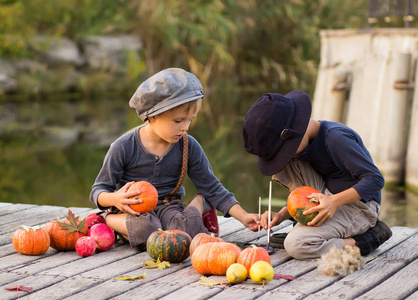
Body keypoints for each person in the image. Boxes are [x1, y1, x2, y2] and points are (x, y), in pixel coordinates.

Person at [90, 68, 259, 249]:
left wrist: (243, 216)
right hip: (135, 211)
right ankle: (107, 220)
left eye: (190, 120)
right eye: (178, 121)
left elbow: (213, 188)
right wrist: (115, 199)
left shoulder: (188, 145)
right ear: (152, 115)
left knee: (187, 235)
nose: (185, 127)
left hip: (168, 206)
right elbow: (98, 191)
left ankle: (201, 202)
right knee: (146, 230)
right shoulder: (123, 146)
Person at [242, 90, 392, 259]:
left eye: (287, 150)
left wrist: (334, 202)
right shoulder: (302, 149)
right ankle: (313, 231)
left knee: (295, 244)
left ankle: (366, 240)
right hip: (326, 197)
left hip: (359, 207)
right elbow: (305, 192)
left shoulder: (335, 138)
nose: (288, 155)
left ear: (295, 131)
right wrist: (281, 215)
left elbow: (375, 179)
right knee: (285, 165)